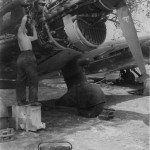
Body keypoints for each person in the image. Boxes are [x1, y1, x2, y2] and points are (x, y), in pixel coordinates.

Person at [16, 15, 38, 106]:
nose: (25, 28)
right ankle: (32, 101)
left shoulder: (26, 37)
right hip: (28, 56)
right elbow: (24, 20)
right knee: (33, 79)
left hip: (21, 57)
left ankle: (21, 101)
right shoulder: (20, 33)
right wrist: (28, 15)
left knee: (21, 80)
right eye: (24, 27)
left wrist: (33, 26)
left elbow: (35, 37)